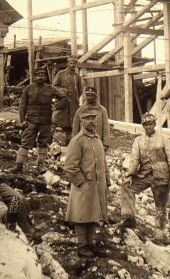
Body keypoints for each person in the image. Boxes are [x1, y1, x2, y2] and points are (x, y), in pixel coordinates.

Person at [64, 109, 110, 258]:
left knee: (93, 213)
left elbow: (103, 162)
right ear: (81, 121)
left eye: (93, 118)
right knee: (81, 215)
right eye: (87, 119)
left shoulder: (97, 139)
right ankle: (82, 246)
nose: (91, 121)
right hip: (83, 186)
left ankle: (90, 244)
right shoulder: (77, 140)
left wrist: (107, 180)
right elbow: (70, 166)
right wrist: (81, 182)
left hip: (97, 185)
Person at [120, 113, 170, 230]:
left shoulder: (163, 139)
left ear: (154, 124)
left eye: (150, 124)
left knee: (160, 205)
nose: (148, 127)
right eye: (145, 125)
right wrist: (130, 175)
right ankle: (129, 218)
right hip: (144, 174)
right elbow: (134, 159)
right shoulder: (138, 140)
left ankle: (159, 232)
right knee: (127, 187)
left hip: (161, 175)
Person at [10, 66, 67, 173]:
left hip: (45, 122)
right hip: (30, 121)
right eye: (38, 75)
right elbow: (22, 106)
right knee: (25, 142)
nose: (40, 77)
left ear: (46, 77)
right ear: (35, 77)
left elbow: (64, 98)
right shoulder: (28, 89)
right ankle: (18, 165)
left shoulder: (50, 88)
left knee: (43, 142)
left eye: (43, 75)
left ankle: (40, 165)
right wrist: (22, 120)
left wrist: (56, 106)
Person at [52, 55, 83, 140]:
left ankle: (69, 141)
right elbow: (54, 87)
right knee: (58, 122)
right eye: (71, 63)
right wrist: (64, 91)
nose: (73, 65)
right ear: (68, 63)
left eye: (75, 63)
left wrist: (74, 97)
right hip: (63, 103)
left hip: (73, 104)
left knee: (72, 123)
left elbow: (80, 90)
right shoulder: (61, 74)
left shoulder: (77, 76)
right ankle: (55, 141)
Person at [72, 86, 111, 151]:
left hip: (98, 143)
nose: (89, 98)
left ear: (96, 97)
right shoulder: (80, 110)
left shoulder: (102, 110)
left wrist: (105, 144)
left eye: (91, 95)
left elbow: (106, 128)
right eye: (87, 95)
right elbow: (75, 129)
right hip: (84, 144)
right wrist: (75, 143)